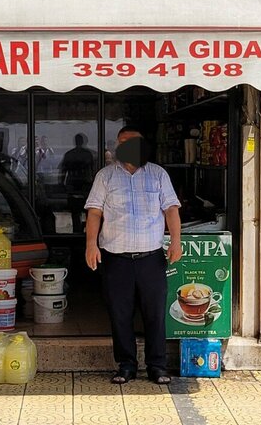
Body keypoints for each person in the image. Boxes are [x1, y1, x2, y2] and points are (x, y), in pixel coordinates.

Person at [84, 127, 182, 385]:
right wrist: (91, 245)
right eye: (123, 143)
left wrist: (176, 242)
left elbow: (171, 209)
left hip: (151, 257)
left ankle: (157, 366)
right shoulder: (105, 176)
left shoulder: (158, 174)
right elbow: (94, 212)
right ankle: (126, 365)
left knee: (155, 314)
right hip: (116, 258)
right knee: (120, 313)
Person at [60, 133, 96, 233]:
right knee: (88, 212)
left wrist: (62, 184)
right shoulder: (88, 154)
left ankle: (77, 231)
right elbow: (92, 171)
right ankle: (88, 231)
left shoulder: (69, 154)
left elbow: (63, 171)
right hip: (85, 186)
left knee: (75, 213)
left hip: (74, 185)